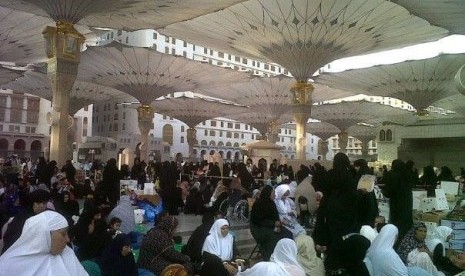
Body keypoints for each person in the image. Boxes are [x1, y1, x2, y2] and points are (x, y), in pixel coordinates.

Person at [313, 152, 367, 273]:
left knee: (332, 238)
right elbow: (352, 195)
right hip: (344, 214)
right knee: (342, 239)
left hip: (330, 210)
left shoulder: (329, 174)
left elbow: (325, 191)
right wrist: (360, 193)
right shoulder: (347, 175)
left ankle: (331, 266)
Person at [0, 210, 87, 275]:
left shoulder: (67, 253)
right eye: (63, 234)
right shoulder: (8, 266)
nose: (68, 239)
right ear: (44, 235)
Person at [250, 185, 292, 261]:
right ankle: (272, 258)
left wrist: (279, 223)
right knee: (273, 238)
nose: (275, 195)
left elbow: (275, 217)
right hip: (259, 228)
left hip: (272, 226)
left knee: (288, 234)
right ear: (268, 193)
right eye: (273, 193)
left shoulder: (271, 203)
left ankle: (285, 257)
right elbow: (258, 220)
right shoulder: (258, 204)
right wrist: (274, 224)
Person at [1, 189, 50, 254]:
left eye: (44, 203)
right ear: (32, 203)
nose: (42, 206)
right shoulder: (21, 218)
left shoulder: (47, 214)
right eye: (38, 203)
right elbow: (11, 239)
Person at [237, 238, 305, 276]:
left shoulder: (264, 267)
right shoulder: (300, 271)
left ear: (276, 249)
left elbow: (245, 274)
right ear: (294, 251)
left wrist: (240, 268)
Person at [383, 159, 413, 239]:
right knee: (405, 222)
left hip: (396, 203)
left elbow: (389, 190)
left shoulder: (393, 175)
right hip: (407, 202)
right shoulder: (407, 174)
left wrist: (384, 192)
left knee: (397, 223)